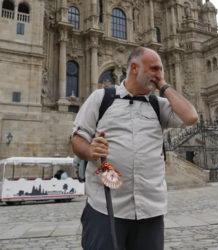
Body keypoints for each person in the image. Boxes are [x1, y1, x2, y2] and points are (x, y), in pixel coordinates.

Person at [71, 47, 198, 250]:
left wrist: (163, 85)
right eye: (154, 69)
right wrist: (89, 151)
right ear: (133, 68)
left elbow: (191, 117)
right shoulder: (101, 98)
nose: (159, 74)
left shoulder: (159, 105)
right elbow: (78, 138)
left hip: (150, 210)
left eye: (162, 70)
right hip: (106, 207)